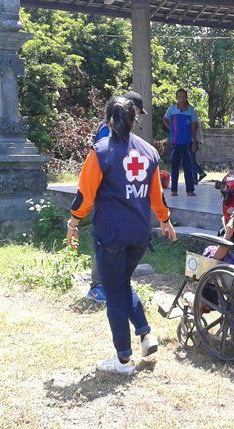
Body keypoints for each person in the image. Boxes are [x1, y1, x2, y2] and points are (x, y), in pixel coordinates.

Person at [67, 96, 177, 375]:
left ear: (107, 120)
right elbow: (157, 195)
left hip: (111, 235)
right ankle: (145, 334)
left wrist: (73, 222)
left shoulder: (101, 151)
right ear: (133, 119)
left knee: (114, 292)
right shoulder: (150, 152)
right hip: (139, 234)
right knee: (122, 283)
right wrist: (165, 219)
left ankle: (123, 360)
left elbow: (85, 196)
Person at [87, 92, 149, 303]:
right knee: (105, 242)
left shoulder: (120, 130)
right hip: (109, 199)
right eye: (137, 112)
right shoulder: (108, 130)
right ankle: (97, 286)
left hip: (120, 197)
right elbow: (107, 160)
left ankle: (117, 283)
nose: (136, 118)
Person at [163, 88, 199, 197]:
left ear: (186, 97)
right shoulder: (172, 108)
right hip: (175, 142)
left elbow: (194, 126)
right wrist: (171, 129)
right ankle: (174, 190)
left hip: (187, 143)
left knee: (188, 167)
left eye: (183, 96)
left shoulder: (190, 110)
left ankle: (190, 190)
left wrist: (194, 141)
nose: (181, 98)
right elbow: (165, 119)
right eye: (179, 96)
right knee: (174, 167)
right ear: (176, 98)